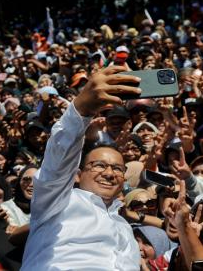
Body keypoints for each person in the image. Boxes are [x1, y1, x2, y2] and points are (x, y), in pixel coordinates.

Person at [21, 66, 142, 270]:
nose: (109, 173)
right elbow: (57, 163)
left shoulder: (124, 226)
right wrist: (80, 110)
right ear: (77, 175)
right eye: (99, 165)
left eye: (118, 169)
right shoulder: (56, 202)